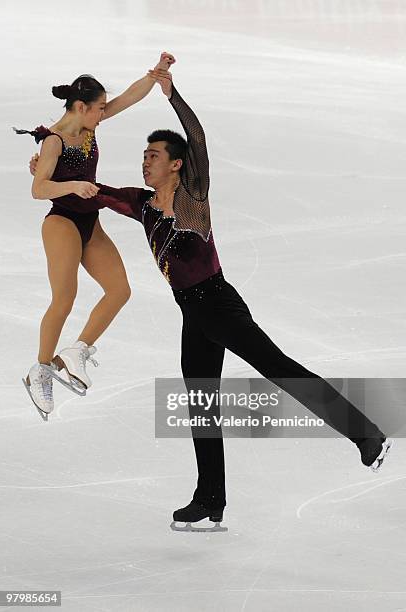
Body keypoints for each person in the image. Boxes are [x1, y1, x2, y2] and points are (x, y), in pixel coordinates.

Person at [29, 69, 393, 530]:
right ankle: (210, 498)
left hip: (220, 304)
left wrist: (171, 94)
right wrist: (52, 174)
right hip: (193, 313)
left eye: (154, 156)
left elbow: (196, 137)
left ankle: (368, 436)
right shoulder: (141, 205)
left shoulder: (193, 196)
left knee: (281, 370)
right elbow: (92, 192)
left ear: (176, 164)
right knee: (201, 401)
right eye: (143, 155)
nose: (145, 162)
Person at [15, 53, 175, 421]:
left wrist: (155, 75)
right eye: (99, 108)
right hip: (62, 222)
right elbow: (39, 190)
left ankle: (76, 352)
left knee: (120, 290)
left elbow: (129, 98)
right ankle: (40, 369)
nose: (104, 113)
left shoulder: (89, 127)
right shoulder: (53, 142)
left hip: (91, 223)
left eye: (104, 109)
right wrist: (73, 185)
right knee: (64, 298)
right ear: (81, 106)